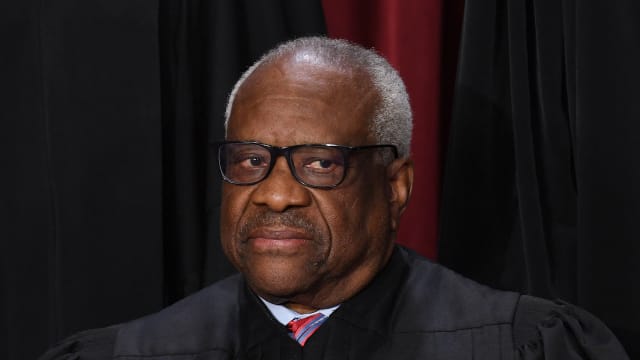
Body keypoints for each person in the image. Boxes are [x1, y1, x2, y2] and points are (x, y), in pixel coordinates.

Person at [40, 37, 628, 360]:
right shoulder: (132, 354)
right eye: (250, 161)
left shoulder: (522, 346)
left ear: (396, 187)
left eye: (320, 163)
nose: (273, 195)